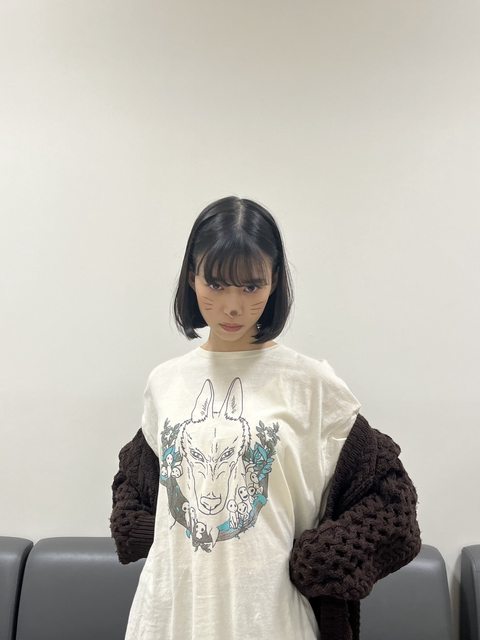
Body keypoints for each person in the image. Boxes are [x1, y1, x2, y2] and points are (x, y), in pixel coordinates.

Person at [109, 196, 421, 640]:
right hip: (168, 618)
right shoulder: (165, 382)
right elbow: (137, 485)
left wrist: (321, 559)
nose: (232, 306)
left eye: (251, 286)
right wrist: (152, 535)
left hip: (270, 620)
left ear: (274, 281)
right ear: (192, 276)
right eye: (216, 284)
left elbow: (392, 501)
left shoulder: (310, 384)